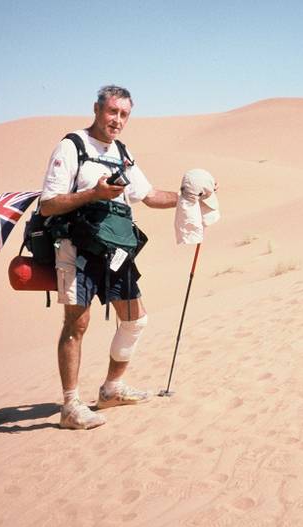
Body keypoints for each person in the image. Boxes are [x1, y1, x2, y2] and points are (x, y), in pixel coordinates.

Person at [38, 85, 179, 430]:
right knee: (77, 323)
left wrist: (188, 197)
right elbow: (48, 203)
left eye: (124, 114)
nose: (117, 120)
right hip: (77, 247)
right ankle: (70, 405)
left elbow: (148, 195)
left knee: (135, 319)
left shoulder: (122, 153)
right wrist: (94, 193)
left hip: (117, 249)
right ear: (97, 109)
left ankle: (112, 388)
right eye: (112, 111)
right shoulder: (72, 146)